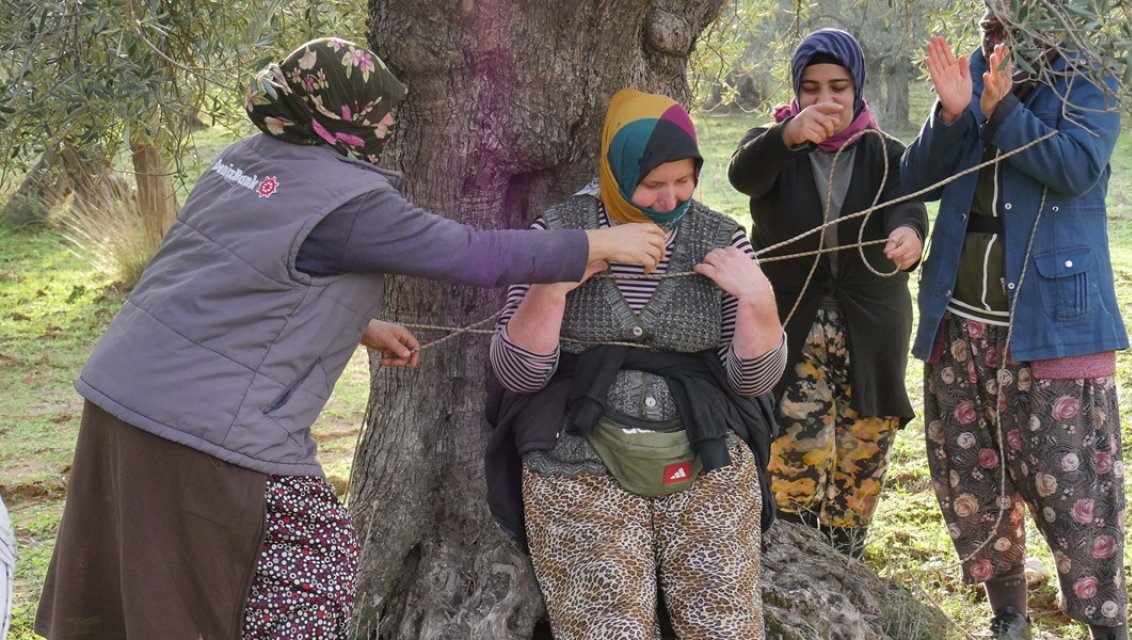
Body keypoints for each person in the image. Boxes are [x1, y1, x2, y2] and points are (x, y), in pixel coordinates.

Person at [33, 38, 669, 640]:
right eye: (380, 113)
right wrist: (592, 243)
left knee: (148, 584)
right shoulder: (350, 202)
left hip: (122, 395)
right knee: (310, 567)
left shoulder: (241, 160)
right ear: (345, 114)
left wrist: (354, 323)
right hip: (210, 427)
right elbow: (468, 253)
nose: (388, 127)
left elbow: (232, 264)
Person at [484, 88, 786, 640]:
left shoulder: (720, 238)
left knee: (724, 626)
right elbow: (517, 374)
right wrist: (555, 285)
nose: (671, 200)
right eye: (652, 184)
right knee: (604, 627)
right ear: (616, 172)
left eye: (684, 181)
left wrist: (759, 302)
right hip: (576, 456)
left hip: (705, 454)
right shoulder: (558, 233)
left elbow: (752, 381)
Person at [902, 6, 1129, 639]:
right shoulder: (973, 73)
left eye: (1013, 12)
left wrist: (1002, 113)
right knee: (974, 473)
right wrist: (950, 115)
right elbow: (915, 178)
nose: (994, 21)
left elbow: (1076, 166)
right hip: (960, 319)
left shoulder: (1090, 80)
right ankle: (1009, 619)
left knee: (1075, 487)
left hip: (1054, 327)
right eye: (991, 12)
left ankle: (1107, 630)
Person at [727, 28, 927, 558]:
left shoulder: (885, 153)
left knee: (865, 443)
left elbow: (907, 207)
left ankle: (844, 557)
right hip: (792, 321)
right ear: (796, 91)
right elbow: (743, 177)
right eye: (811, 88)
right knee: (796, 442)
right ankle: (792, 552)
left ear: (857, 88)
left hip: (872, 326)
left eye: (838, 86)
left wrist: (911, 235)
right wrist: (787, 137)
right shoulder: (770, 144)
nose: (825, 100)